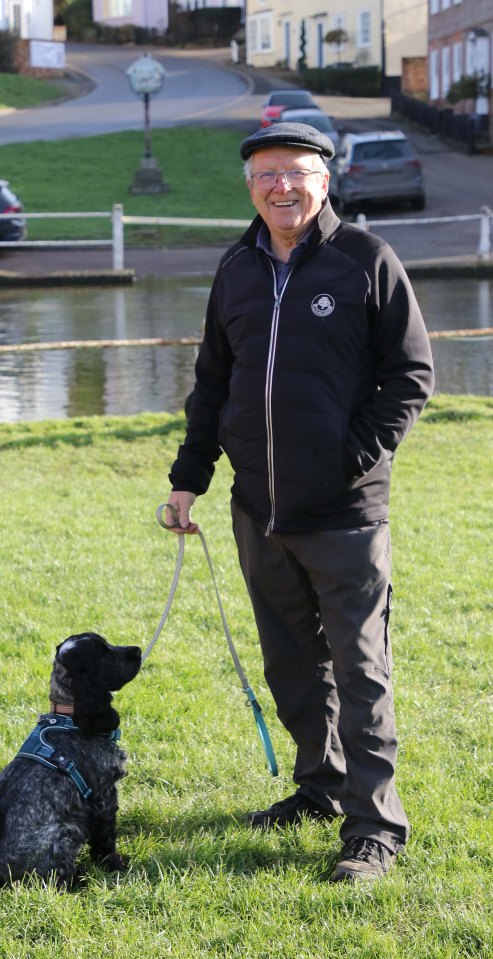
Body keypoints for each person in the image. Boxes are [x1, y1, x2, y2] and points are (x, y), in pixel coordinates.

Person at [165, 123, 434, 882]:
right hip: (257, 510)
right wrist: (190, 477)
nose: (278, 186)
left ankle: (373, 826)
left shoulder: (366, 262)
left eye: (293, 172)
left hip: (344, 515)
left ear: (324, 178)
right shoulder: (236, 267)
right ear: (249, 186)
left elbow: (408, 377)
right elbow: (212, 383)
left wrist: (349, 459)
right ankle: (317, 786)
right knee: (291, 663)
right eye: (263, 175)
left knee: (358, 669)